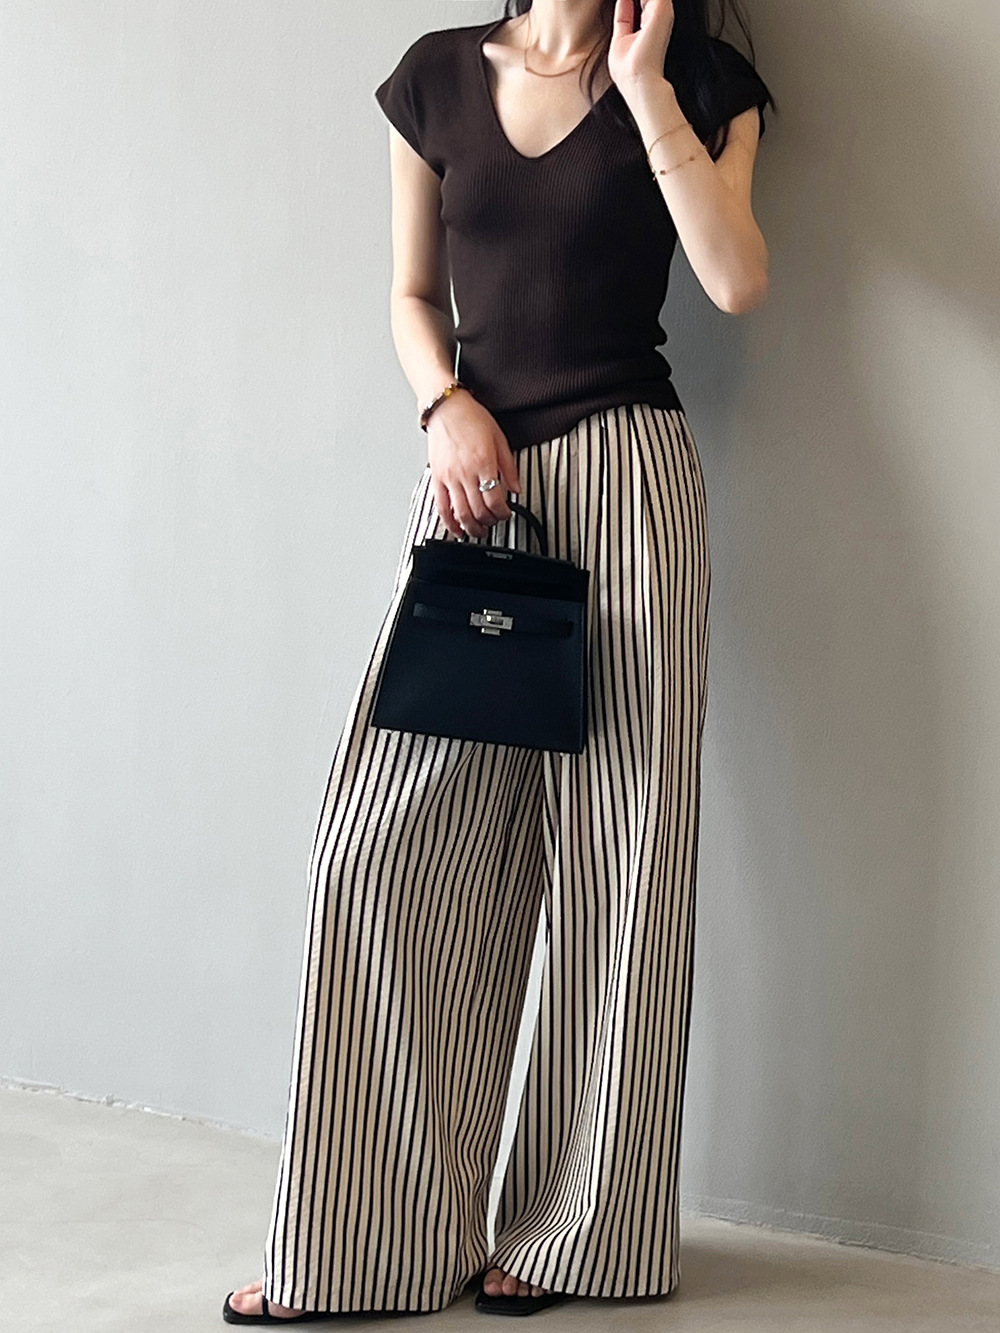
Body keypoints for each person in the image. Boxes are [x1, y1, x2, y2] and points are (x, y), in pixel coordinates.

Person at [222, 0, 774, 1322]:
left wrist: (646, 85)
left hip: (631, 490)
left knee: (620, 872)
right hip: (476, 497)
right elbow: (413, 295)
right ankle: (361, 1245)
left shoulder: (702, 80)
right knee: (382, 857)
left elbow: (737, 279)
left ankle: (584, 1237)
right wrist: (444, 404)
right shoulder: (436, 77)